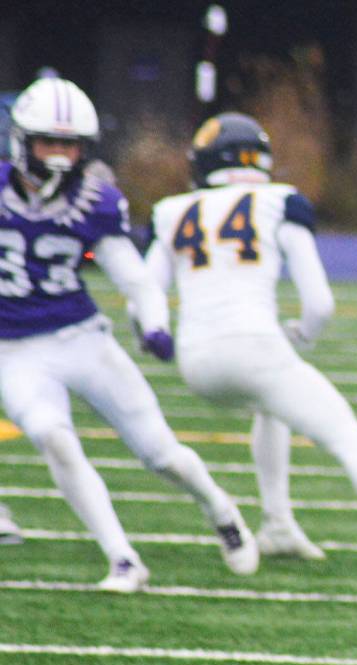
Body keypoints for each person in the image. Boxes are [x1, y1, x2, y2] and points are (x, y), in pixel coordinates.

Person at [143, 112, 357, 572]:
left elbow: (144, 291)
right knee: (348, 437)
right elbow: (319, 302)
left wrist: (155, 332)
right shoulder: (279, 201)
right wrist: (304, 335)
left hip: (196, 360)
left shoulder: (172, 210)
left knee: (271, 409)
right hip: (254, 347)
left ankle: (277, 524)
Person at [0, 77, 258, 592]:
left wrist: (155, 323)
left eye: (70, 145)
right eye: (49, 142)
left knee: (159, 453)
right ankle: (122, 559)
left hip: (82, 338)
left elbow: (133, 277)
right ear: (21, 140)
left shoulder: (95, 200)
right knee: (54, 437)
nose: (59, 156)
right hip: (14, 351)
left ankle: (221, 508)